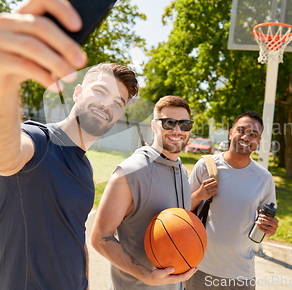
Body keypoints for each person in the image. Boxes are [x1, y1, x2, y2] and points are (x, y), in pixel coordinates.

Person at [0, 0, 139, 290]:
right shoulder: (38, 142)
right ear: (77, 92)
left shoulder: (85, 168)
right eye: (100, 92)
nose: (107, 105)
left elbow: (73, 235)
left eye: (118, 103)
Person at [91, 96, 198, 290]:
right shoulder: (131, 170)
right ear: (155, 126)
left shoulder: (181, 170)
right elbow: (100, 237)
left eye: (185, 124)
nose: (177, 130)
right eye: (169, 123)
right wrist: (146, 275)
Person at [186, 111, 279, 290]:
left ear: (259, 141)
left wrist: (270, 228)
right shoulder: (206, 165)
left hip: (241, 274)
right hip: (200, 267)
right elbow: (181, 210)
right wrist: (199, 195)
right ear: (230, 133)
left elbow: (264, 229)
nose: (246, 137)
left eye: (253, 135)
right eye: (241, 130)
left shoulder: (264, 179)